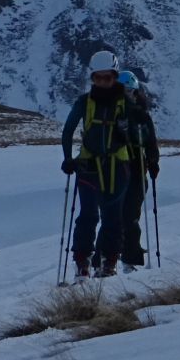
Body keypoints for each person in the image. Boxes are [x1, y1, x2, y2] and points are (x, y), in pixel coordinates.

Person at [60, 49, 132, 279]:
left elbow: (141, 130)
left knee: (110, 216)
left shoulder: (124, 103)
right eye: (97, 78)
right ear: (92, 77)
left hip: (113, 166)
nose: (102, 82)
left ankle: (105, 262)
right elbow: (68, 130)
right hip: (94, 165)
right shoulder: (87, 102)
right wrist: (67, 157)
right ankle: (86, 263)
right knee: (91, 215)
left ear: (114, 76)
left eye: (107, 78)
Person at [117, 70, 161, 270]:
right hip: (118, 168)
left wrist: (153, 162)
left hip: (136, 168)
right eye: (123, 91)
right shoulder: (114, 113)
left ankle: (129, 254)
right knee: (120, 213)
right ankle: (122, 253)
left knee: (130, 213)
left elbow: (150, 141)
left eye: (130, 91)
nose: (127, 94)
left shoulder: (142, 116)